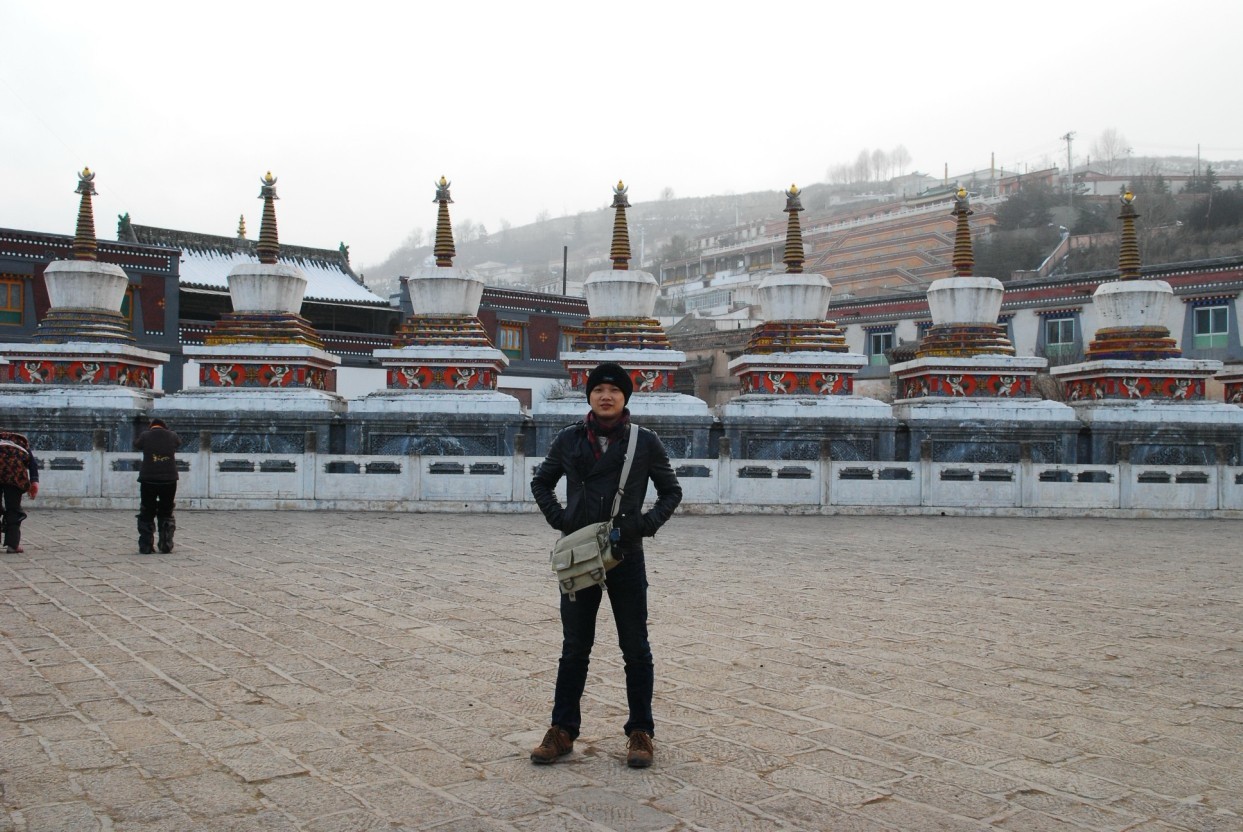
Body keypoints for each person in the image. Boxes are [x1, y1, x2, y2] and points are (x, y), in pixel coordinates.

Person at [529, 362, 682, 768]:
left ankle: (640, 731)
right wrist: (561, 519)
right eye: (599, 389)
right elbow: (541, 482)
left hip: (625, 554)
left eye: (614, 390)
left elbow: (671, 491)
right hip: (579, 556)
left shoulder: (644, 442)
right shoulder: (569, 439)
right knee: (574, 647)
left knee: (636, 647)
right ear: (590, 396)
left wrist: (643, 526)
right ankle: (562, 729)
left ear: (625, 397)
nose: (606, 396)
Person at [133, 417, 182, 554]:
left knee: (147, 510)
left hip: (148, 479)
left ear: (151, 426)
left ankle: (146, 545)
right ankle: (166, 543)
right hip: (169, 479)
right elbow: (178, 443)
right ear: (164, 426)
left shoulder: (145, 435)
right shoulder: (172, 435)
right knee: (166, 510)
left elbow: (136, 444)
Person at [0, 431, 39, 554]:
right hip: (15, 475)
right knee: (13, 509)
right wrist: (34, 482)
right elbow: (32, 464)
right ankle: (12, 545)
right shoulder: (21, 442)